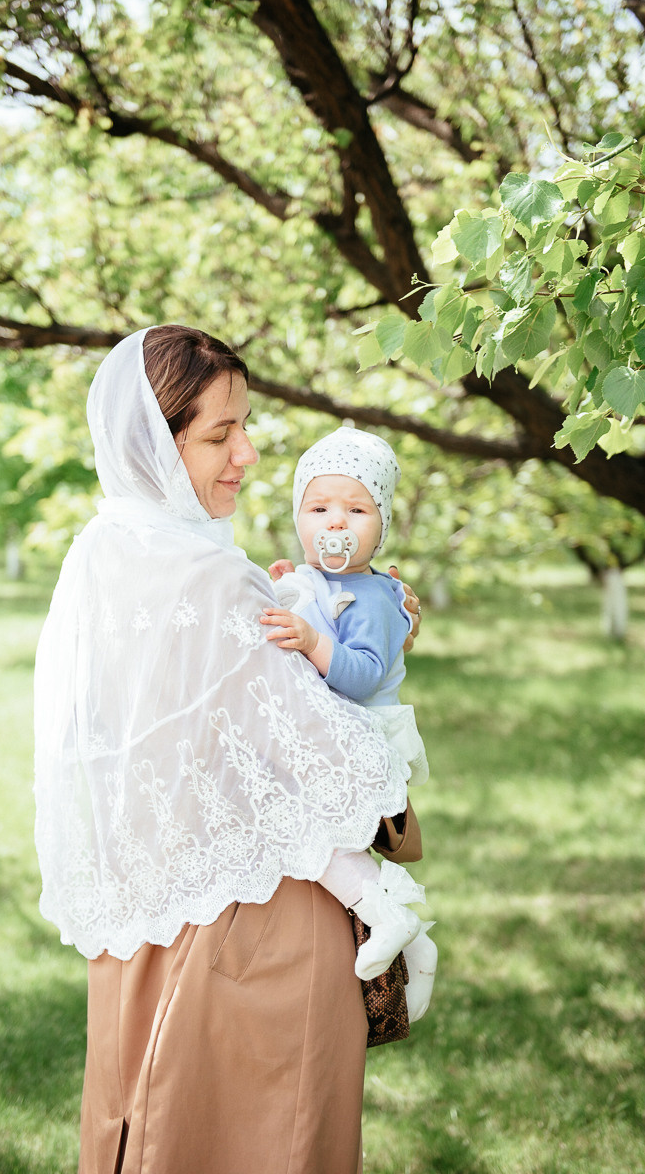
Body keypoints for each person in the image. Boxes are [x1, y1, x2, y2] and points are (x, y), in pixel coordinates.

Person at [33, 325, 423, 1174]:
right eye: (219, 434)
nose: (247, 454)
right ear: (158, 445)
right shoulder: (213, 580)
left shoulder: (98, 556)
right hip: (252, 943)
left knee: (145, 1137)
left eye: (245, 426)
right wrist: (383, 662)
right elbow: (340, 767)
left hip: (139, 923)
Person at [260, 425, 437, 1018]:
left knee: (311, 833)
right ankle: (413, 939)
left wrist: (310, 638)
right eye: (319, 508)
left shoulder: (375, 599)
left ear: (381, 525)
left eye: (357, 509)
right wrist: (297, 585)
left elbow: (358, 674)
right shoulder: (330, 581)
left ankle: (389, 917)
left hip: (362, 739)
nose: (336, 522)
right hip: (332, 735)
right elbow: (308, 597)